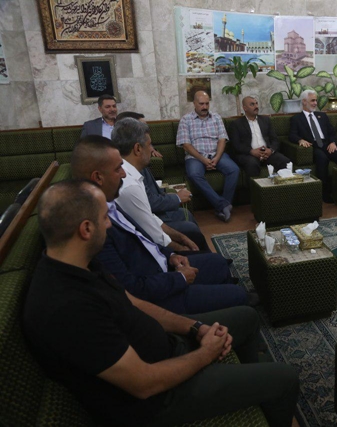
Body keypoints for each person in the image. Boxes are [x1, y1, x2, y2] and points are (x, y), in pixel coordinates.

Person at [23, 180, 299, 427]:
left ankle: (247, 385)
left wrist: (196, 328)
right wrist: (206, 353)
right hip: (158, 399)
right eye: (105, 218)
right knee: (285, 378)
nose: (109, 225)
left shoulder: (81, 263)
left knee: (247, 317)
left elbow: (135, 303)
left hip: (167, 347)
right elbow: (143, 383)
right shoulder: (66, 307)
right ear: (86, 229)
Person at [70, 135, 257, 314]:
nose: (124, 173)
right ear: (98, 177)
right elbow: (132, 290)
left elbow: (142, 238)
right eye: (118, 168)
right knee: (238, 296)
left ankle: (222, 300)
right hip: (162, 294)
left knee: (218, 263)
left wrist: (171, 255)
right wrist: (180, 278)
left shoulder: (109, 204)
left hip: (164, 267)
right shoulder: (96, 228)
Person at [111, 117, 209, 252]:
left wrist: (181, 238)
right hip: (151, 250)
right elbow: (154, 234)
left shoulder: (132, 173)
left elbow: (150, 218)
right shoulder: (129, 185)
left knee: (189, 227)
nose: (152, 149)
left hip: (155, 226)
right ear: (138, 148)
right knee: (193, 232)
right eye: (149, 144)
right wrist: (180, 249)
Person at [177, 91, 239, 222]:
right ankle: (222, 205)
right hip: (195, 157)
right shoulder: (186, 120)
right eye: (201, 104)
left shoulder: (216, 117)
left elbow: (222, 139)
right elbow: (186, 145)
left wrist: (217, 157)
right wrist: (203, 159)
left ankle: (222, 207)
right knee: (194, 174)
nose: (204, 107)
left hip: (216, 154)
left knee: (234, 169)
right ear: (194, 103)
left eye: (206, 103)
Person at [289, 89, 337, 203]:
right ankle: (324, 193)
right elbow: (292, 135)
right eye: (312, 101)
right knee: (322, 159)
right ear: (304, 102)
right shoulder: (297, 119)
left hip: (327, 144)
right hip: (313, 146)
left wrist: (333, 142)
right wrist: (300, 140)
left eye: (316, 100)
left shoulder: (322, 115)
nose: (315, 103)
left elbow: (332, 131)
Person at [229, 96, 290, 177]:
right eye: (252, 104)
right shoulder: (236, 124)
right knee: (252, 164)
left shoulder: (266, 120)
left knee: (284, 161)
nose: (256, 106)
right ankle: (255, 185)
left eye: (256, 103)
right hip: (249, 155)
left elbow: (275, 139)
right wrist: (251, 151)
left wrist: (270, 150)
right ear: (245, 108)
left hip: (267, 153)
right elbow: (236, 145)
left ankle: (283, 184)